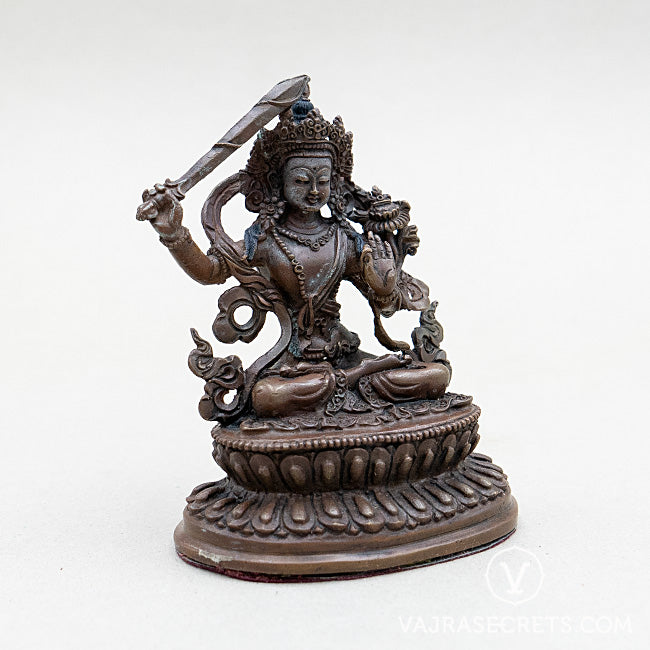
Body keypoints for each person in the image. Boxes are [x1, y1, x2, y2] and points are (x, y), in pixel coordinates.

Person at [137, 101, 450, 420]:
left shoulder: (344, 238)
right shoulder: (265, 240)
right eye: (301, 180)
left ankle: (351, 377)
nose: (314, 191)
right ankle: (355, 379)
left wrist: (384, 285)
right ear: (279, 182)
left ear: (334, 182)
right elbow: (211, 271)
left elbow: (387, 304)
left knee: (436, 376)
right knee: (266, 397)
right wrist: (173, 233)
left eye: (323, 181)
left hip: (345, 351)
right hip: (293, 366)